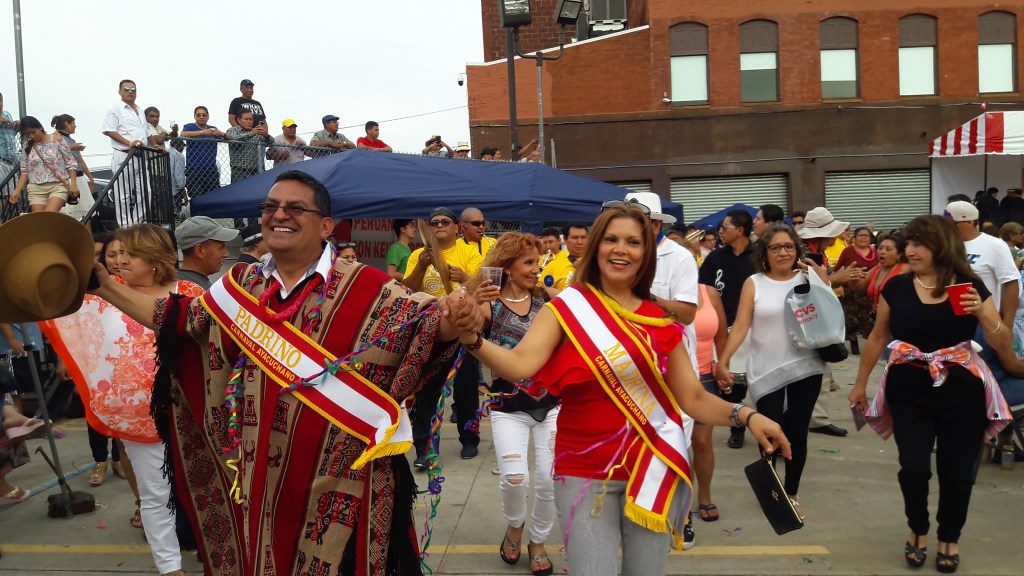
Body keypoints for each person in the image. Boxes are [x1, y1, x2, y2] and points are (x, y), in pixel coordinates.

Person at [86, 169, 477, 575]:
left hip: (342, 481)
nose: (279, 214)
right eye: (270, 206)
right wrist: (106, 288)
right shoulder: (240, 284)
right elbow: (179, 320)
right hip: (259, 475)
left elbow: (426, 327)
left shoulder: (367, 285)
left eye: (295, 207)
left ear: (326, 225)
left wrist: (459, 318)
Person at [455, 203, 791, 576]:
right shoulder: (566, 309)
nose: (621, 249)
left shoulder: (661, 321)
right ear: (595, 247)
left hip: (650, 467)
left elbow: (692, 398)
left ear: (645, 253)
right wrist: (473, 339)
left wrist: (746, 414)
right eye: (611, 239)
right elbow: (520, 365)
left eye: (633, 241)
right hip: (585, 473)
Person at [850, 215, 1020, 574]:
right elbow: (879, 337)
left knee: (957, 471)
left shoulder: (968, 287)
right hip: (908, 387)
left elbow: (1002, 342)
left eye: (919, 244)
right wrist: (860, 383)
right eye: (908, 243)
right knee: (913, 467)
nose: (910, 251)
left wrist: (984, 316)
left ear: (941, 246)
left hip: (961, 389)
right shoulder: (897, 288)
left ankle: (949, 536)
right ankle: (918, 527)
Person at [46, 224, 206, 576]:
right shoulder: (102, 294)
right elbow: (53, 306)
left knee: (201, 485)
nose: (118, 261)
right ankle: (169, 567)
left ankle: (209, 551)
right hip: (136, 414)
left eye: (128, 253)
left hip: (194, 409)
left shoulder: (190, 291)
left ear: (155, 255)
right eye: (114, 254)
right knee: (155, 493)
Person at [718, 222, 828, 520]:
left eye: (789, 246)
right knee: (767, 432)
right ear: (764, 252)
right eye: (776, 247)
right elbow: (741, 325)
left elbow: (830, 315)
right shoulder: (754, 282)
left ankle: (790, 493)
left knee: (796, 431)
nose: (783, 252)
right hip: (765, 369)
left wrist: (823, 280)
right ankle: (773, 490)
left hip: (805, 366)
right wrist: (723, 360)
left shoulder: (809, 278)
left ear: (797, 250)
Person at [466, 232, 559, 576]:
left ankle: (537, 541)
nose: (537, 269)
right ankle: (515, 526)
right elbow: (465, 331)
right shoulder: (488, 305)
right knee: (514, 478)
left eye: (538, 262)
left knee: (549, 480)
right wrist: (472, 301)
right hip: (507, 409)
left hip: (551, 406)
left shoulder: (549, 299)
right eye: (528, 263)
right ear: (506, 268)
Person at [403, 207, 484, 461]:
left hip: (461, 328)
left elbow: (482, 287)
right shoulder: (418, 254)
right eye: (434, 222)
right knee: (426, 390)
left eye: (445, 222)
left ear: (456, 227)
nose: (439, 226)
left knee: (466, 388)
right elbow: (406, 291)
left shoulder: (469, 251)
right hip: (428, 333)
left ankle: (469, 439)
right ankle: (423, 447)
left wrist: (465, 277)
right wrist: (422, 266)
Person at [699, 209, 756, 448]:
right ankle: (737, 425)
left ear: (740, 230)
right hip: (727, 326)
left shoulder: (759, 257)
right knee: (731, 380)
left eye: (725, 228)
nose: (720, 232)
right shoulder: (715, 258)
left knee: (761, 378)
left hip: (757, 325)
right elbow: (703, 287)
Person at [691, 280, 729, 527]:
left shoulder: (710, 294)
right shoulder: (653, 293)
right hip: (666, 377)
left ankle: (704, 495)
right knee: (674, 445)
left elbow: (722, 336)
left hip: (705, 377)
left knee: (702, 442)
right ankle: (675, 501)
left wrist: (722, 367)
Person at [101, 79, 150, 225]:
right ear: (120, 92)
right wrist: (129, 142)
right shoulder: (114, 108)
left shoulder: (140, 110)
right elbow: (109, 130)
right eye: (127, 89)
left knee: (146, 192)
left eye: (133, 90)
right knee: (124, 194)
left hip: (141, 156)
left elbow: (145, 133)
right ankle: (125, 225)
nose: (130, 92)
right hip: (124, 154)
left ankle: (136, 223)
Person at [8, 116, 79, 213]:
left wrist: (73, 184)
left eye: (33, 132)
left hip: (57, 185)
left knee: (48, 217)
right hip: (36, 188)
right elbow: (24, 171)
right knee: (40, 223)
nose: (31, 136)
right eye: (27, 134)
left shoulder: (56, 139)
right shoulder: (27, 147)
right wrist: (17, 191)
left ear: (40, 127)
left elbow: (71, 163)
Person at [837, 227, 878, 355]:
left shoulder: (876, 252)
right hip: (850, 290)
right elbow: (838, 268)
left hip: (869, 291)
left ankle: (871, 344)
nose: (863, 238)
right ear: (854, 238)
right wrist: (838, 284)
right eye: (860, 235)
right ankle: (854, 343)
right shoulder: (847, 251)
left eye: (866, 235)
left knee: (867, 318)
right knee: (851, 319)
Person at [51, 114, 96, 227]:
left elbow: (80, 160)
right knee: (68, 211)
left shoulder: (71, 139)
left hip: (79, 176)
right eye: (73, 123)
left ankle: (87, 239)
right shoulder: (55, 137)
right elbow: (52, 153)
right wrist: (71, 148)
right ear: (67, 123)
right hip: (66, 177)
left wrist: (90, 177)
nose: (75, 126)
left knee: (86, 211)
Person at [174, 215, 238, 290]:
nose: (226, 254)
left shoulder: (175, 283)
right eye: (221, 248)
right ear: (200, 251)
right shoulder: (194, 291)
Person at [179, 106, 225, 198]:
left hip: (211, 169)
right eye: (198, 115)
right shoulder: (189, 126)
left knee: (214, 197)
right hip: (194, 169)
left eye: (204, 115)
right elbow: (182, 134)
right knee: (196, 198)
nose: (201, 117)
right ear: (194, 116)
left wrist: (222, 134)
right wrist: (202, 132)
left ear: (208, 116)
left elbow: (229, 138)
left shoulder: (213, 128)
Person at [225, 110, 273, 183]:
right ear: (238, 120)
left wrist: (266, 135)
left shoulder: (257, 131)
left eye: (251, 119)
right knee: (240, 193)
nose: (249, 121)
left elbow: (272, 143)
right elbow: (232, 139)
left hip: (257, 171)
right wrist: (251, 134)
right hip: (239, 172)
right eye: (246, 119)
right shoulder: (232, 130)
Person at [0, 91, 20, 182]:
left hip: (11, 159)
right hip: (0, 159)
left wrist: (16, 124)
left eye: (0, 101)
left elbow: (12, 134)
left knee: (11, 193)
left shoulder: (7, 114)